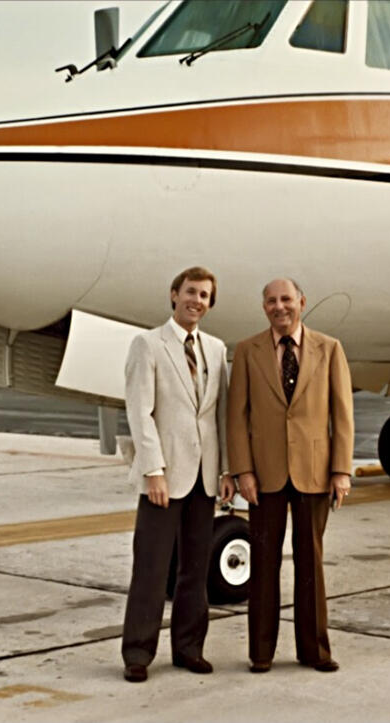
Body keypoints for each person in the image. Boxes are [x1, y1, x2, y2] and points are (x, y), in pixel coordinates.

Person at [227, 278, 354, 673]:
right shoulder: (248, 351)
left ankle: (315, 651)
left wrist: (341, 471)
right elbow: (236, 417)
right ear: (263, 307)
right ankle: (260, 652)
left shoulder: (329, 349)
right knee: (263, 564)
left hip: (315, 474)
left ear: (302, 301)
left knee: (310, 562)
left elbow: (343, 415)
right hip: (263, 476)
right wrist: (242, 470)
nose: (279, 307)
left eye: (286, 299)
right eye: (271, 301)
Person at [121, 266, 234, 683]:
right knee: (151, 568)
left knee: (195, 569)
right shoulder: (148, 344)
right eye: (190, 292)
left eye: (205, 295)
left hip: (204, 478)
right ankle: (137, 653)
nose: (197, 300)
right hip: (163, 479)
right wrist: (154, 471)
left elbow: (219, 414)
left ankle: (189, 649)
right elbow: (140, 412)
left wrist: (224, 470)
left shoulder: (217, 349)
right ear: (174, 295)